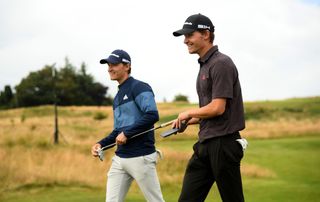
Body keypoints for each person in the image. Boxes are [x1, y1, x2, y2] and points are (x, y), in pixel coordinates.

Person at [172, 14, 246, 202]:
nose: (185, 40)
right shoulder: (205, 65)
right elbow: (209, 111)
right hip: (205, 144)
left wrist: (189, 112)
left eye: (189, 35)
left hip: (223, 145)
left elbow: (218, 108)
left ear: (206, 34)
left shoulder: (221, 63)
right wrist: (188, 120)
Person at [91, 49, 165, 202]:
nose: (110, 68)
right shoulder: (118, 97)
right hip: (120, 159)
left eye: (114, 64)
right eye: (108, 65)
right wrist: (101, 144)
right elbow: (118, 131)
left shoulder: (139, 87)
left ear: (127, 66)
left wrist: (127, 134)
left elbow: (152, 115)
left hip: (141, 157)